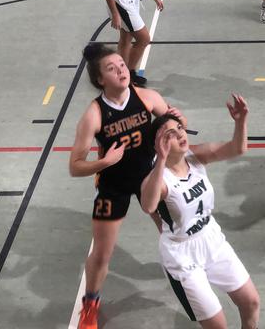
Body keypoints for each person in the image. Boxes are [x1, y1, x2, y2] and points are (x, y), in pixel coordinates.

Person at [69, 44, 180, 329]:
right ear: (99, 80)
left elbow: (175, 127)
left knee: (173, 232)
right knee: (103, 253)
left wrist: (174, 123)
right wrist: (104, 163)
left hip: (147, 177)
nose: (121, 70)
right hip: (113, 184)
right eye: (112, 68)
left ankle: (185, 275)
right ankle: (90, 305)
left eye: (121, 64)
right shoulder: (94, 115)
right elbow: (74, 166)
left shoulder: (147, 97)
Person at [141, 95, 261, 329]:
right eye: (170, 134)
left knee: (251, 302)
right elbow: (148, 205)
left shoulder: (196, 157)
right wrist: (161, 160)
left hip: (211, 239)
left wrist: (241, 121)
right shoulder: (159, 179)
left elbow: (237, 148)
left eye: (179, 128)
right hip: (182, 255)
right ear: (159, 145)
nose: (179, 134)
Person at [102, 0, 163, 87]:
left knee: (125, 40)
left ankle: (119, 76)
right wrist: (115, 13)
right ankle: (129, 74)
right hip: (121, 2)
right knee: (144, 39)